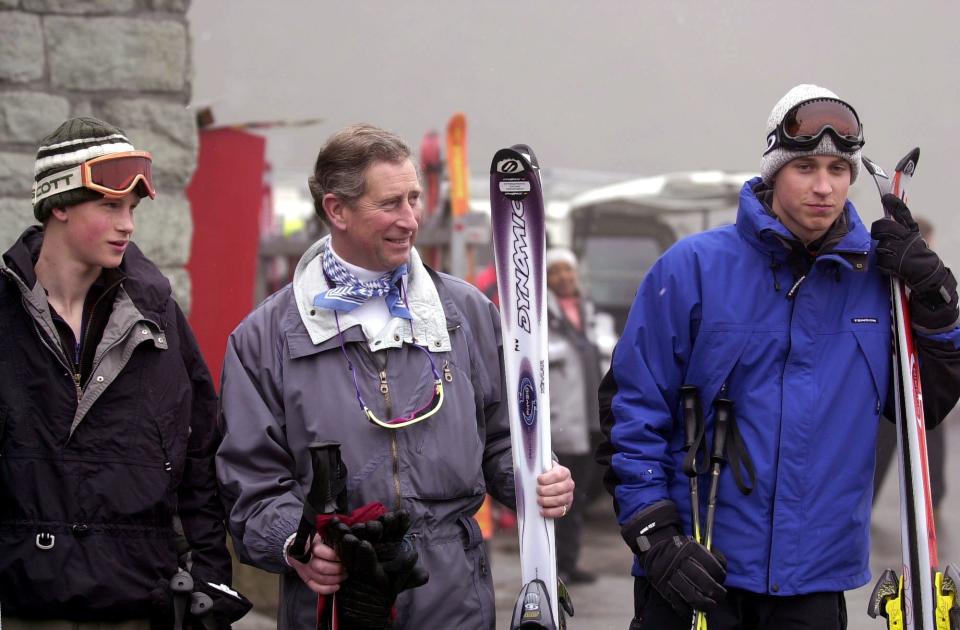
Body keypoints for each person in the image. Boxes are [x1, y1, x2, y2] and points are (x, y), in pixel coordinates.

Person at [597, 84, 960, 629]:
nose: (823, 186)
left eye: (839, 170)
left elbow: (924, 405)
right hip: (695, 571)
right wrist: (655, 534)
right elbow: (632, 407)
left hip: (812, 582)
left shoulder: (879, 285)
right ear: (774, 172)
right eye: (805, 167)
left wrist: (936, 305)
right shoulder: (692, 268)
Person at [216, 123, 574, 629]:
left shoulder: (464, 313)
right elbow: (250, 484)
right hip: (342, 596)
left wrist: (536, 478)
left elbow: (500, 439)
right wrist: (295, 543)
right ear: (337, 210)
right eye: (391, 204)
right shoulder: (265, 338)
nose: (411, 220)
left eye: (414, 199)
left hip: (454, 595)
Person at [0, 118, 242, 627]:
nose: (127, 224)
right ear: (58, 205)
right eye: (109, 206)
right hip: (22, 610)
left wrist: (212, 579)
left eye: (131, 209)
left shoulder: (158, 317)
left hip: (143, 608)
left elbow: (199, 455)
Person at [873, 216, 948, 513]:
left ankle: (934, 503)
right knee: (882, 445)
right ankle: (867, 500)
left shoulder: (934, 280)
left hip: (923, 378)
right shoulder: (886, 278)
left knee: (931, 442)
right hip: (891, 378)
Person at [545, 248, 604, 585]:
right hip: (561, 423)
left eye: (569, 271)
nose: (564, 278)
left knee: (579, 496)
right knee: (558, 500)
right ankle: (553, 566)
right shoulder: (542, 315)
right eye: (556, 272)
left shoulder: (590, 312)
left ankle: (569, 560)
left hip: (590, 419)